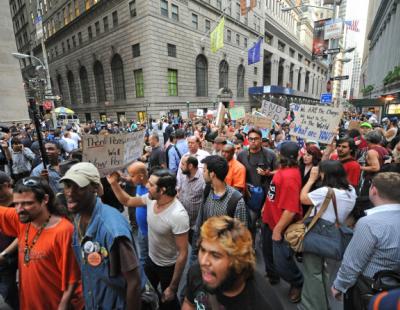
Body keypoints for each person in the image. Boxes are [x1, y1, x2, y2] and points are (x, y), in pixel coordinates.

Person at [61, 163, 141, 309]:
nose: (70, 192)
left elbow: (134, 282)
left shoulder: (112, 230)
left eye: (78, 187)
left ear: (95, 188)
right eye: (67, 185)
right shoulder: (79, 217)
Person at [107, 169, 189, 310]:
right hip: (151, 260)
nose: (146, 186)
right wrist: (114, 183)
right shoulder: (152, 199)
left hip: (168, 267)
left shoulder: (178, 215)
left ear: (162, 190)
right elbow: (127, 200)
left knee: (168, 300)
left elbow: (183, 253)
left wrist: (173, 287)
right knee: (145, 293)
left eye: (151, 184)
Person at [0, 177, 83, 310]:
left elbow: (72, 278)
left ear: (45, 199)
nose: (19, 209)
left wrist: (63, 305)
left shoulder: (63, 231)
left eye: (27, 203)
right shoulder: (23, 219)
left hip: (55, 303)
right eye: (16, 204)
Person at [182, 216, 284, 310]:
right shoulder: (198, 272)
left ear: (238, 262)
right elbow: (189, 303)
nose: (203, 262)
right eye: (203, 250)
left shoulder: (263, 305)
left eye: (215, 255)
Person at [331, 172, 400, 310]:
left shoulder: (369, 223)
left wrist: (339, 286)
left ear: (374, 190)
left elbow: (353, 262)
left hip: (368, 288)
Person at [299, 160, 357, 310]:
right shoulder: (351, 190)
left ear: (327, 174)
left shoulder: (326, 191)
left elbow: (303, 197)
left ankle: (312, 306)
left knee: (312, 272)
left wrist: (311, 180)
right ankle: (322, 302)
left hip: (319, 231)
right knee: (322, 271)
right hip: (334, 231)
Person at [261, 141, 304, 303]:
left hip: (280, 226)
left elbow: (291, 209)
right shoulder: (284, 170)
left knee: (282, 263)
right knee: (267, 254)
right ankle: (273, 277)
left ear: (281, 155)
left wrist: (278, 231)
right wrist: (265, 205)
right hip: (269, 220)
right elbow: (274, 191)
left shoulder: (290, 176)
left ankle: (297, 282)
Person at [191, 155, 248, 257]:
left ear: (212, 174)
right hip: (204, 247)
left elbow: (240, 235)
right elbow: (201, 219)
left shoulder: (236, 200)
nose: (202, 173)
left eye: (204, 170)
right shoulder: (208, 190)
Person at [177, 155, 205, 244]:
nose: (180, 166)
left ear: (190, 166)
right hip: (185, 222)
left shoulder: (203, 180)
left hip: (196, 226)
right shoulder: (183, 175)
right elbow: (180, 190)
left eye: (183, 164)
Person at [0, 172, 18, 309]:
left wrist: (5, 253)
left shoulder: (20, 202)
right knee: (8, 293)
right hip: (3, 260)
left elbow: (26, 232)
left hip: (21, 253)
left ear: (6, 185)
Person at [359, 131, 389, 196]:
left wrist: (360, 167)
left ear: (368, 140)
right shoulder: (384, 149)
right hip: (380, 178)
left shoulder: (372, 152)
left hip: (371, 179)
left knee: (364, 198)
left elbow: (375, 167)